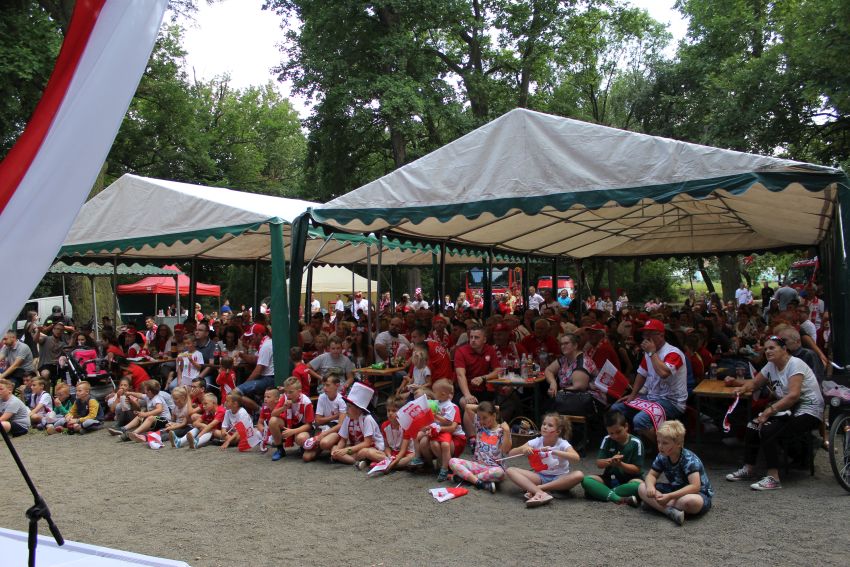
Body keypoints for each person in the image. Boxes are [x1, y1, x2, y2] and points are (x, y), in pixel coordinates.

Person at [725, 335, 824, 491]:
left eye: (772, 348)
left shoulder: (795, 364)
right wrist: (742, 388)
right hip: (788, 409)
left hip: (808, 411)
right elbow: (756, 383)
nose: (768, 351)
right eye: (766, 349)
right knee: (753, 425)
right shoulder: (771, 365)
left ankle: (773, 478)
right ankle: (749, 469)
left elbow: (793, 395)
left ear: (784, 349)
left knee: (768, 429)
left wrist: (769, 411)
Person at [611, 319, 688, 445]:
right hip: (652, 397)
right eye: (645, 334)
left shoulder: (674, 352)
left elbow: (663, 373)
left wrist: (652, 352)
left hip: (672, 401)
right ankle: (632, 445)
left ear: (661, 335)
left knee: (640, 420)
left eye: (650, 334)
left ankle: (666, 448)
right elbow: (641, 374)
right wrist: (633, 395)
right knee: (616, 409)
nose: (646, 338)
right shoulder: (649, 353)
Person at [638, 420, 713, 525]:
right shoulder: (662, 456)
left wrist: (669, 496)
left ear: (678, 444)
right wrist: (650, 487)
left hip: (697, 494)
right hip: (675, 489)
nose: (660, 446)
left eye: (665, 443)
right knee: (642, 487)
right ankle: (669, 511)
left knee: (691, 502)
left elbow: (695, 487)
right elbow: (651, 475)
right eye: (658, 442)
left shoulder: (689, 459)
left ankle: (655, 505)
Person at [505, 413, 584, 507]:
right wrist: (523, 449)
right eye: (544, 424)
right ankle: (541, 492)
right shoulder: (536, 441)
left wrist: (555, 452)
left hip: (560, 478)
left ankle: (538, 489)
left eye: (550, 425)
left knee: (579, 475)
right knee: (510, 470)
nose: (545, 427)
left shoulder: (563, 443)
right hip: (540, 477)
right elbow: (511, 453)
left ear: (558, 431)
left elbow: (576, 458)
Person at [581, 411, 644, 505]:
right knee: (586, 480)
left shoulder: (636, 443)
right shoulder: (607, 439)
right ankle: (618, 498)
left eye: (618, 432)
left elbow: (636, 469)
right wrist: (611, 461)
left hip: (631, 479)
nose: (615, 436)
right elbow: (599, 464)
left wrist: (620, 464)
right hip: (610, 478)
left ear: (626, 426)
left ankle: (604, 493)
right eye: (611, 433)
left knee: (638, 485)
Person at [449, 402, 511, 493]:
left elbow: (506, 450)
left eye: (485, 418)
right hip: (477, 465)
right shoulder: (480, 426)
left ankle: (468, 478)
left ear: (494, 416)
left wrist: (507, 431)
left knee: (500, 472)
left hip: (492, 469)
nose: (481, 421)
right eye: (479, 418)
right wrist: (495, 408)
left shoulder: (502, 431)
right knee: (452, 461)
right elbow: (467, 407)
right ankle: (479, 483)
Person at [412, 379, 465, 481]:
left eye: (434, 391)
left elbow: (451, 427)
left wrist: (437, 426)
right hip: (439, 431)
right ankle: (429, 465)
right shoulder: (437, 403)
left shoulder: (452, 407)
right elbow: (426, 408)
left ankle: (445, 466)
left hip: (454, 436)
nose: (433, 393)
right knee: (423, 440)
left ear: (443, 394)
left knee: (440, 444)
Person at [544, 333, 601, 417]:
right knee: (546, 403)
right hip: (569, 397)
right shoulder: (564, 359)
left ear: (575, 345)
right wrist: (553, 383)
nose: (563, 346)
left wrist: (560, 392)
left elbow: (579, 386)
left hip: (588, 400)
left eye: (566, 343)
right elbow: (548, 370)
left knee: (548, 408)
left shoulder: (582, 361)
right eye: (561, 344)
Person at [330, 382, 385, 467]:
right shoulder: (348, 418)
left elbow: (367, 443)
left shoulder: (367, 419)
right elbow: (343, 440)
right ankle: (358, 462)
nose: (346, 409)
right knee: (334, 448)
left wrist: (346, 450)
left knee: (364, 452)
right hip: (355, 448)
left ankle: (357, 460)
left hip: (372, 447)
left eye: (349, 406)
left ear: (358, 409)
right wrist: (338, 450)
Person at [303, 374, 347, 462]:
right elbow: (318, 420)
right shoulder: (322, 397)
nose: (324, 388)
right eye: (323, 385)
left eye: (327, 385)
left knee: (324, 443)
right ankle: (326, 447)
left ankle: (334, 445)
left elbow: (340, 425)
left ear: (337, 385)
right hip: (323, 427)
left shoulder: (341, 400)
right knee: (306, 457)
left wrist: (324, 434)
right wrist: (335, 416)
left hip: (335, 429)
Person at [454, 325, 500, 408]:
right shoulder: (461, 351)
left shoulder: (490, 350)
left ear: (484, 340)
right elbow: (460, 375)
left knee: (505, 402)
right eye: (471, 337)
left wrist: (483, 378)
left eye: (476, 337)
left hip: (483, 390)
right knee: (469, 405)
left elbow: (498, 371)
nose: (473, 340)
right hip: (463, 390)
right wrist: (467, 395)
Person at [269, 377, 315, 460]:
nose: (288, 394)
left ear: (299, 391)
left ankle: (303, 446)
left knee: (301, 438)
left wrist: (292, 431)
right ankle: (280, 449)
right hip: (288, 424)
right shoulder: (285, 397)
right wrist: (284, 408)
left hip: (302, 427)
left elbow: (309, 425)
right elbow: (273, 414)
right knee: (273, 421)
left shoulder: (306, 402)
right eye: (286, 391)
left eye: (291, 392)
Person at [233, 325, 274, 413]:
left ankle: (260, 411)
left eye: (252, 336)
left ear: (259, 335)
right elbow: (254, 359)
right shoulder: (264, 343)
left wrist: (246, 384)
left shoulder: (266, 345)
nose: (251, 339)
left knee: (235, 393)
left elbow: (258, 370)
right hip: (266, 377)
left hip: (269, 379)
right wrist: (240, 354)